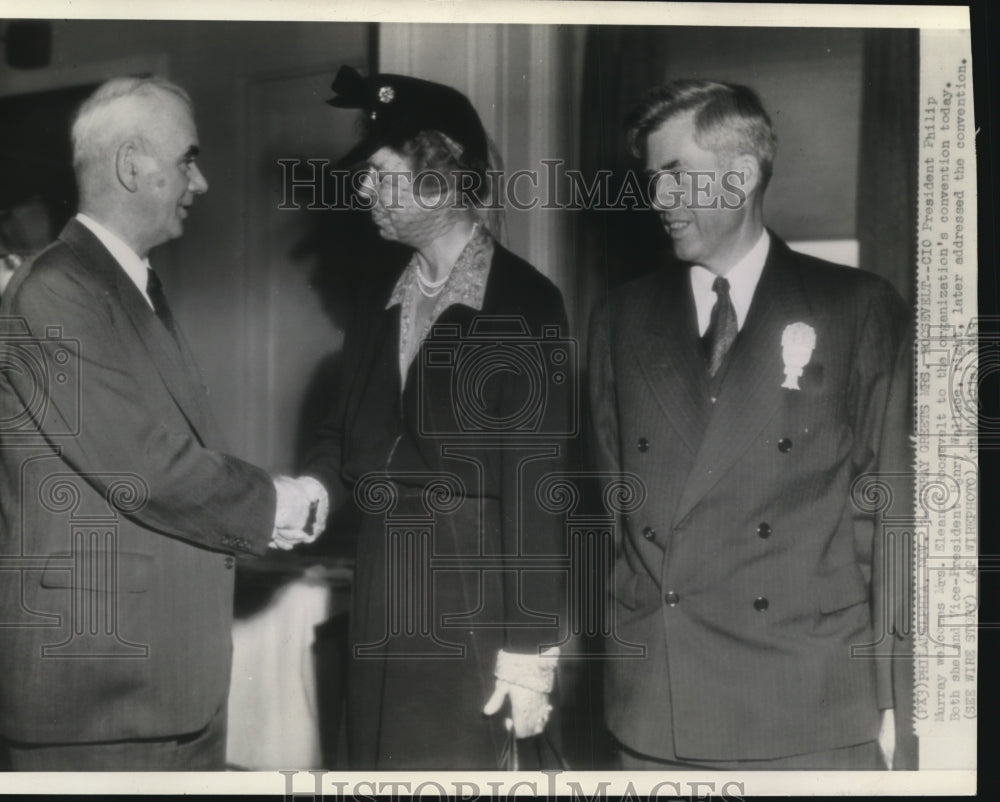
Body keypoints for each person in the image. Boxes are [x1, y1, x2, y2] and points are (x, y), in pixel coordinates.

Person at [587, 79, 911, 770]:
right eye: (652, 183)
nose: (659, 202)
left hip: (809, 702)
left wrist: (895, 698)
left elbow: (890, 515)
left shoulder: (856, 307)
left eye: (676, 178)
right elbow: (614, 508)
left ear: (739, 176)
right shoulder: (619, 318)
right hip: (658, 707)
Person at [0, 76, 321, 770]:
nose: (199, 183)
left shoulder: (128, 285)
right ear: (131, 164)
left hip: (161, 687)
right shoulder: (55, 291)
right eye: (187, 161)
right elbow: (141, 465)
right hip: (98, 697)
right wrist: (274, 501)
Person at [295, 66, 571, 769]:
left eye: (381, 174)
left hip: (472, 597)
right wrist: (314, 489)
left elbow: (538, 487)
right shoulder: (375, 299)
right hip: (383, 579)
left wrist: (530, 651)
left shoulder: (524, 301)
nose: (362, 189)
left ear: (442, 179)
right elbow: (341, 434)